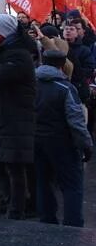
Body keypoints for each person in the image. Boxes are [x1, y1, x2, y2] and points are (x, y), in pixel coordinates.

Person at [0, 14, 37, 220]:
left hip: (15, 120)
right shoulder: (2, 51)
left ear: (6, 32)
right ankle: (8, 201)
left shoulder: (20, 56)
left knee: (14, 167)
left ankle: (16, 209)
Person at [34, 49, 94, 227]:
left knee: (42, 182)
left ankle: (47, 220)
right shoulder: (65, 88)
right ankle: (73, 224)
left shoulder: (31, 84)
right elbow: (76, 121)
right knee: (71, 185)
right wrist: (86, 146)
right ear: (63, 65)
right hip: (62, 143)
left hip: (36, 140)